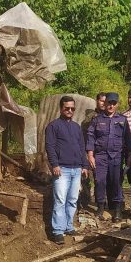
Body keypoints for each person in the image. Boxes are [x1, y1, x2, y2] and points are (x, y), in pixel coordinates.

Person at [44, 96, 89, 244]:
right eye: (67, 108)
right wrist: (54, 164)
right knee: (60, 200)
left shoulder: (76, 127)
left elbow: (81, 147)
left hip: (76, 169)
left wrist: (84, 166)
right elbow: (49, 147)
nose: (70, 111)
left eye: (72, 108)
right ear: (61, 108)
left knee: (72, 200)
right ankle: (57, 230)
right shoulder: (53, 126)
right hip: (62, 169)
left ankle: (68, 226)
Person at [86, 92, 131, 221]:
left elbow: (128, 139)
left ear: (117, 104)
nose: (111, 106)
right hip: (100, 156)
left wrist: (129, 155)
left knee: (116, 182)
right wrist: (90, 154)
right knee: (99, 181)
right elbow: (90, 137)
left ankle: (117, 210)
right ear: (104, 103)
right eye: (109, 103)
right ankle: (100, 207)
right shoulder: (97, 120)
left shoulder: (122, 120)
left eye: (113, 103)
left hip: (116, 156)